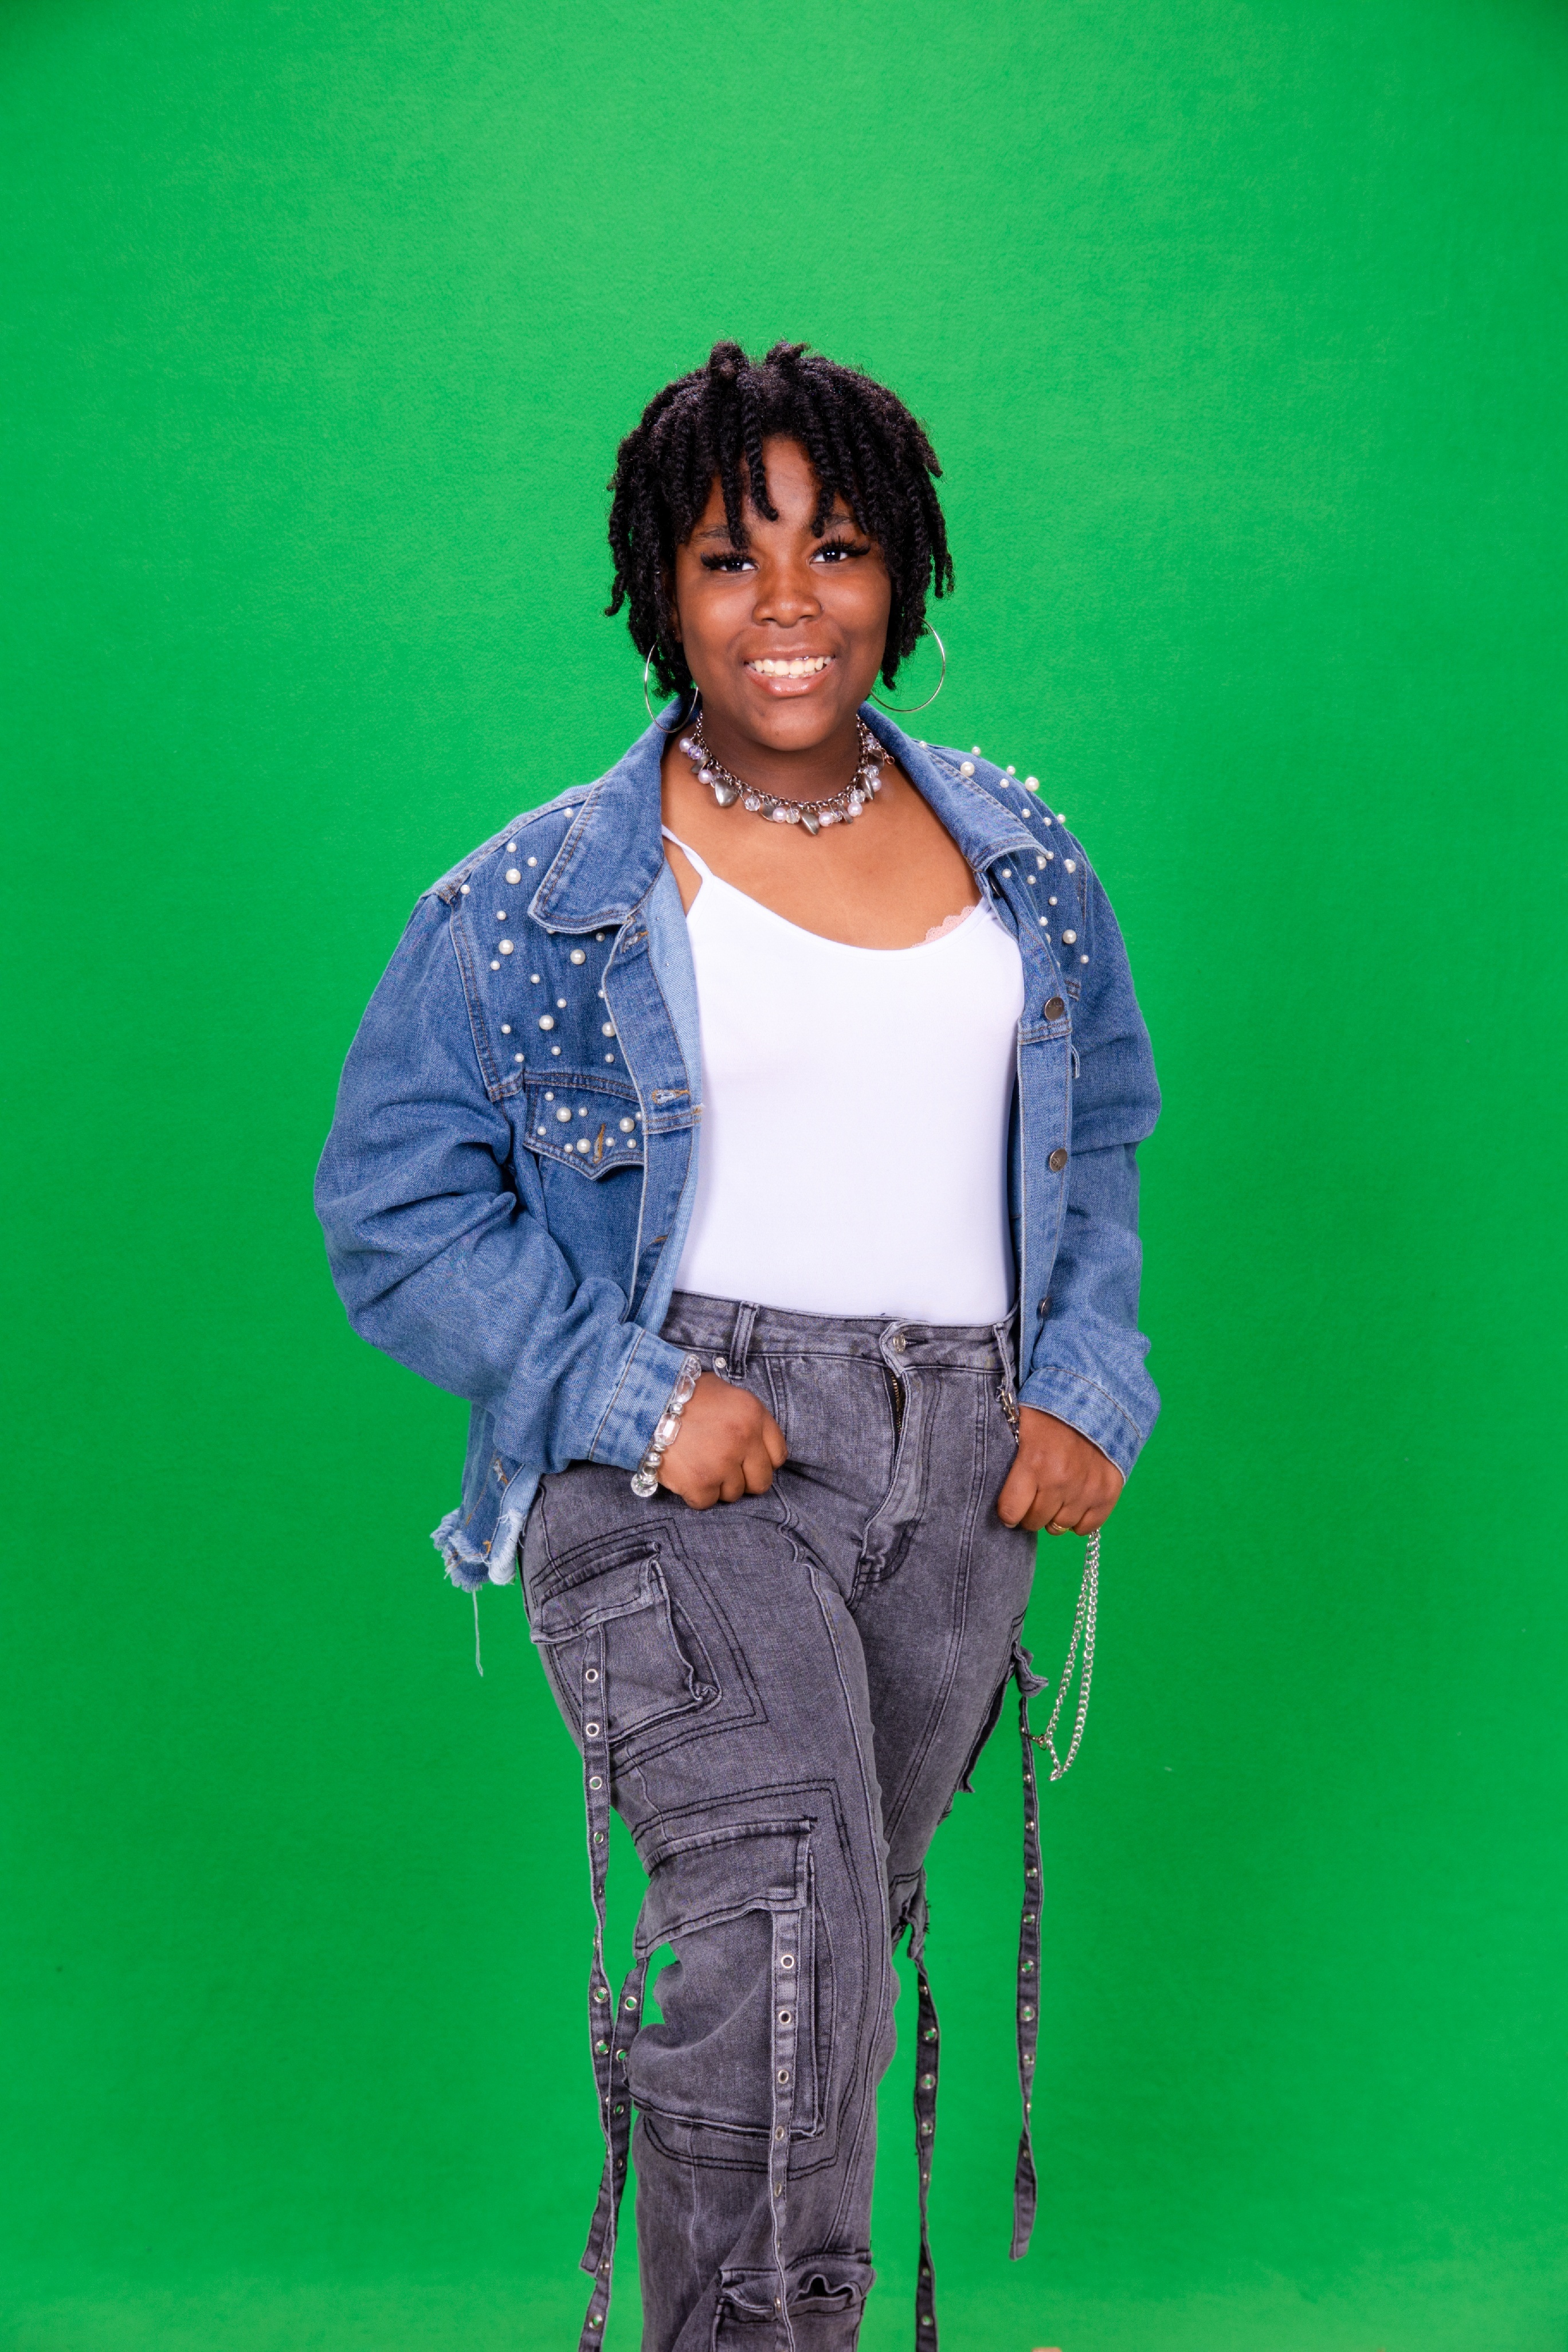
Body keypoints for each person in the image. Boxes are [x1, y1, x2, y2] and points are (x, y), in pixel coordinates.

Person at [316, 340, 1159, 2351]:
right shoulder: (540, 899)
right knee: (780, 1952)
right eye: (729, 558)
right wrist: (634, 1399)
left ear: (903, 573)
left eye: (835, 548)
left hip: (961, 1476)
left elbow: (1103, 1127)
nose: (788, 604)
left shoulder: (1023, 860)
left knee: (831, 1968)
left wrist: (1083, 1379)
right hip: (690, 1460)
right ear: (662, 591)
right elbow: (392, 1210)